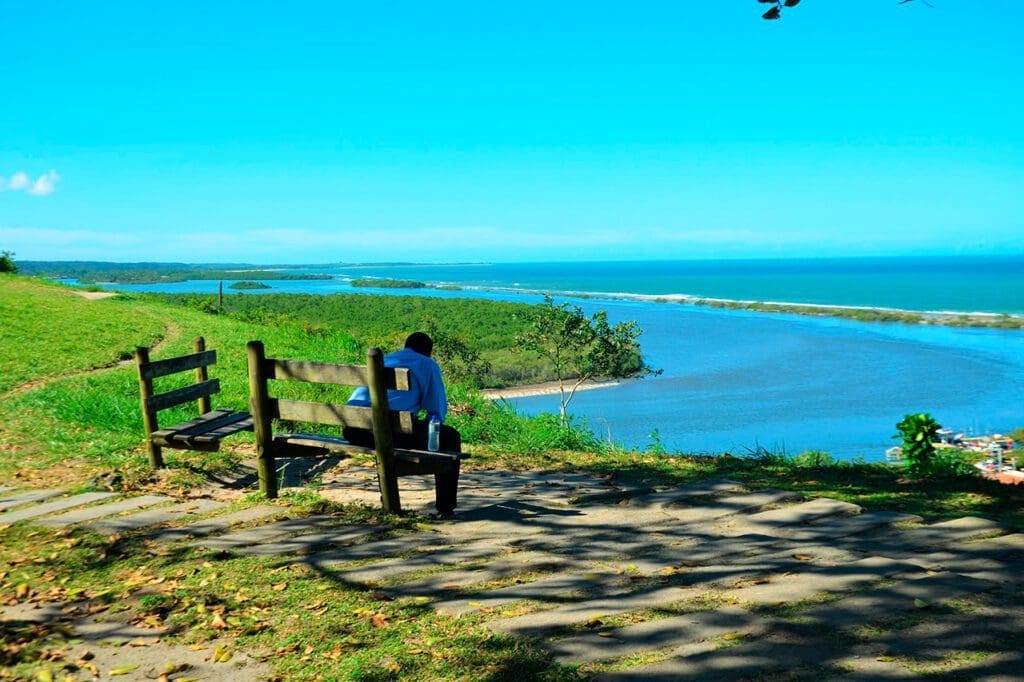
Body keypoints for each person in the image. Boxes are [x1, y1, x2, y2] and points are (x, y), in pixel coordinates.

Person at [343, 332, 462, 453]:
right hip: (386, 433)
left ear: (406, 346)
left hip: (352, 430)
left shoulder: (386, 359)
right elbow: (436, 410)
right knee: (450, 437)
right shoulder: (427, 364)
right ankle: (430, 469)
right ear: (428, 353)